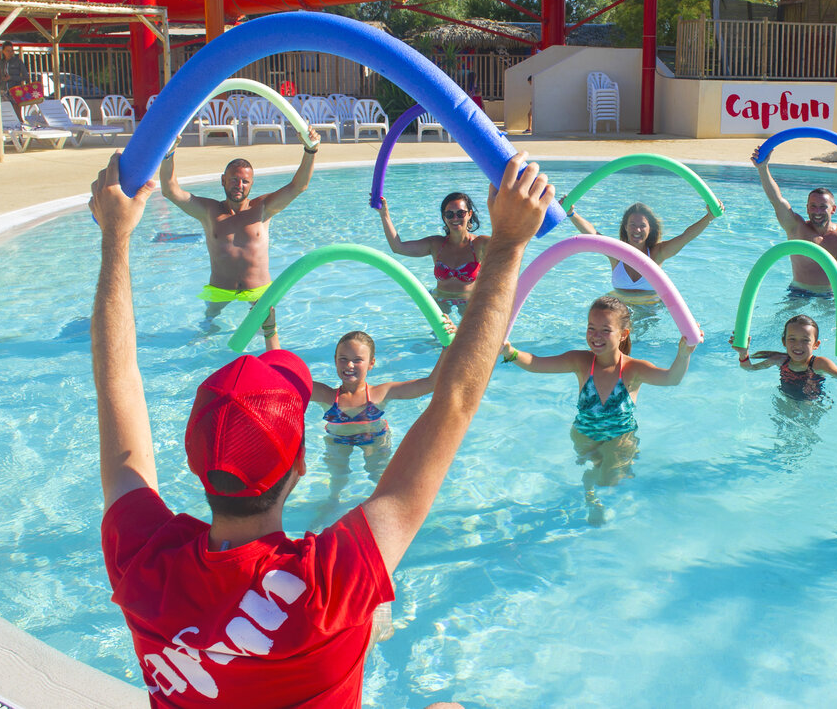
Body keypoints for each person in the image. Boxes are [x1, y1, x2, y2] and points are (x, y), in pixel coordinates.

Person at [90, 150, 553, 708]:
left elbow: (117, 381)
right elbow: (454, 400)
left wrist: (116, 238)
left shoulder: (145, 560)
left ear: (193, 463)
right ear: (301, 465)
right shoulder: (330, 585)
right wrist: (507, 246)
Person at [502, 296, 698, 521]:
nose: (596, 335)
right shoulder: (581, 362)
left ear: (623, 334)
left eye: (606, 330)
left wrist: (683, 354)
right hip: (584, 434)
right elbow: (536, 363)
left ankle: (596, 484)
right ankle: (593, 483)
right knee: (600, 471)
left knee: (609, 480)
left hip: (620, 438)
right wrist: (510, 352)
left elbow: (671, 379)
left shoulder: (633, 369)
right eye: (591, 328)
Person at [160, 133, 319, 350]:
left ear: (251, 184)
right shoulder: (209, 211)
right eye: (234, 179)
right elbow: (170, 191)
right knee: (208, 326)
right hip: (220, 289)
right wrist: (168, 153)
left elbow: (298, 186)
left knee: (269, 336)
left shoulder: (263, 208)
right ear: (223, 180)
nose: (239, 185)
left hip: (259, 292)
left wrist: (310, 151)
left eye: (245, 181)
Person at [310, 329, 448, 492]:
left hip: (374, 438)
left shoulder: (380, 394)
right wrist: (271, 332)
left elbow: (430, 384)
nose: (349, 365)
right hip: (338, 439)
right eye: (343, 359)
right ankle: (332, 501)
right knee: (337, 478)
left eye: (358, 360)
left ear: (371, 363)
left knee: (379, 477)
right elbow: (284, 380)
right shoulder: (326, 395)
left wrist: (447, 346)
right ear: (335, 361)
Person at [751, 144, 837, 296]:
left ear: (833, 209)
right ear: (807, 208)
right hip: (798, 292)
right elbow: (776, 200)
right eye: (813, 206)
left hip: (831, 295)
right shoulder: (796, 228)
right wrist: (762, 168)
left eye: (823, 206)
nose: (817, 211)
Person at [564, 200, 723, 302]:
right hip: (619, 311)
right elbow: (593, 234)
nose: (637, 229)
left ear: (650, 228)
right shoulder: (615, 252)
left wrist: (709, 216)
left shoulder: (658, 253)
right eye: (632, 224)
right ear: (625, 227)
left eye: (642, 225)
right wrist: (571, 213)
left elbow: (686, 236)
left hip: (649, 312)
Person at [379, 192, 490, 313]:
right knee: (437, 333)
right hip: (440, 299)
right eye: (449, 214)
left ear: (469, 214)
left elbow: (509, 247)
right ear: (444, 217)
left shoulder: (480, 244)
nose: (455, 218)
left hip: (469, 300)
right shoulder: (436, 244)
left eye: (460, 213)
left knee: (472, 332)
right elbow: (398, 247)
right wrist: (384, 214)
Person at [728, 315, 837, 401]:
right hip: (785, 399)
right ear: (784, 342)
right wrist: (743, 353)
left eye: (805, 340)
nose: (798, 345)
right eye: (792, 339)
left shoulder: (819, 364)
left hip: (811, 402)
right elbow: (749, 369)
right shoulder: (780, 360)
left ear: (816, 345)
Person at [0, 41, 29, 119]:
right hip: (3, 90)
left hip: (15, 90)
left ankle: (20, 125)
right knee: (6, 112)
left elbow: (26, 77)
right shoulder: (0, 62)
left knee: (17, 113)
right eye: (7, 51)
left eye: (11, 51)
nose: (10, 53)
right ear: (3, 51)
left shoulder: (18, 61)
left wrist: (12, 77)